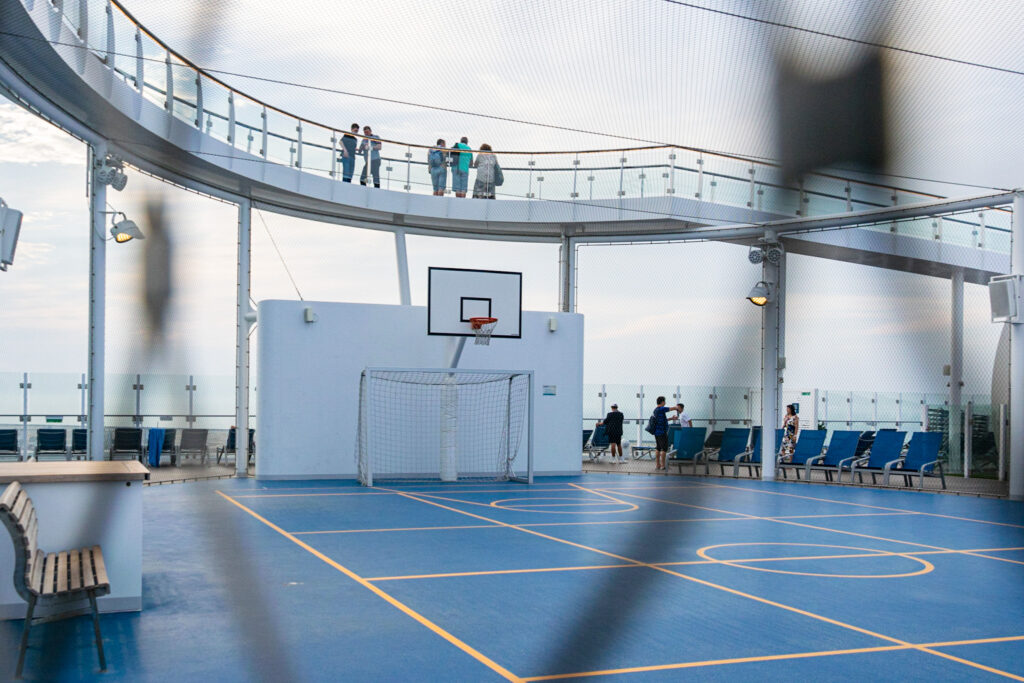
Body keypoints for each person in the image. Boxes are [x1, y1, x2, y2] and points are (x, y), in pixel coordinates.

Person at [650, 396, 676, 471]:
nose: (665, 403)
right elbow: (671, 408)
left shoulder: (655, 410)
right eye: (664, 401)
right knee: (664, 448)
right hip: (662, 432)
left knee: (658, 447)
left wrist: (671, 418)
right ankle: (663, 465)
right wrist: (677, 407)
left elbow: (663, 420)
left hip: (656, 432)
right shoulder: (661, 409)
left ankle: (658, 465)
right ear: (662, 402)